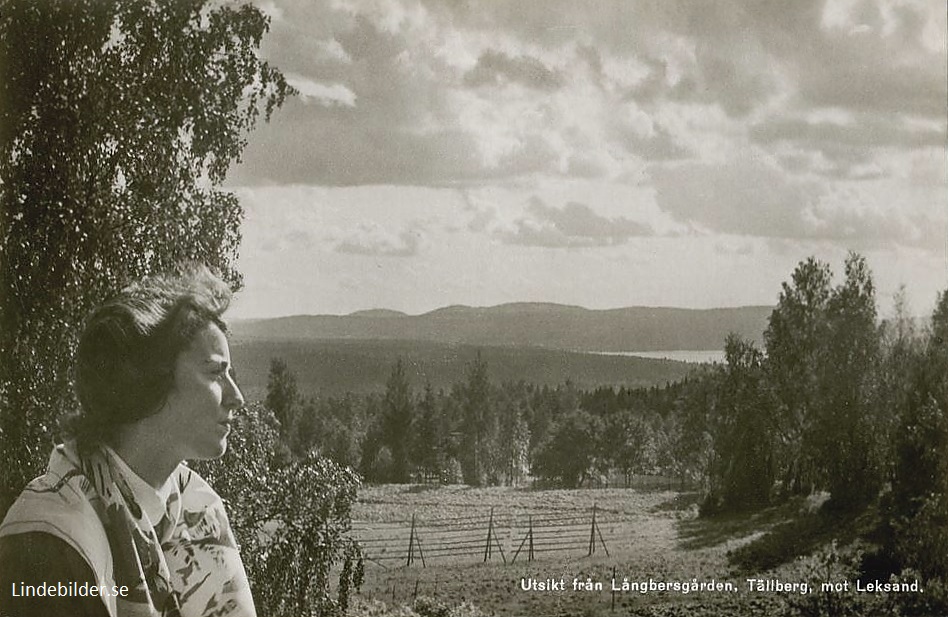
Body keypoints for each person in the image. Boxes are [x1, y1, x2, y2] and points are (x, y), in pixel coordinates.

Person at [0, 265, 257, 616]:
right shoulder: (48, 539)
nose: (236, 397)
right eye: (215, 372)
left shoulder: (200, 509)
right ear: (149, 381)